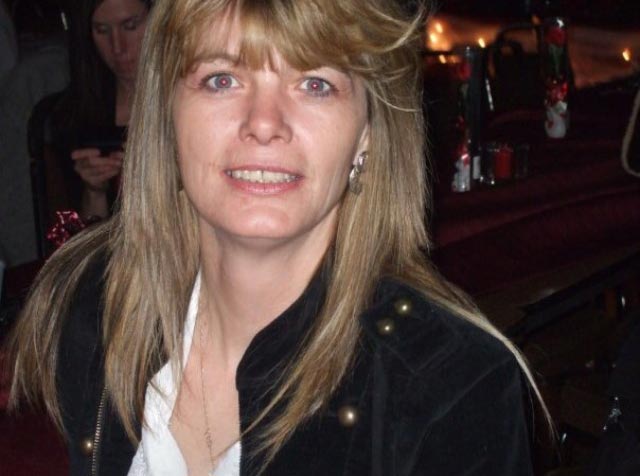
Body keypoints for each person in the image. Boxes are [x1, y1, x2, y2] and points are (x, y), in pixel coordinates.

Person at [6, 0, 547, 475]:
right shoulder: (95, 302)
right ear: (166, 114)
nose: (264, 123)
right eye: (222, 79)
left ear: (368, 132)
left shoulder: (452, 387)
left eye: (315, 84)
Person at [47, 0, 151, 219]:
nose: (118, 46)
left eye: (130, 26)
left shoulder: (197, 102)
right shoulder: (75, 116)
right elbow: (72, 233)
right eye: (102, 31)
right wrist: (94, 192)